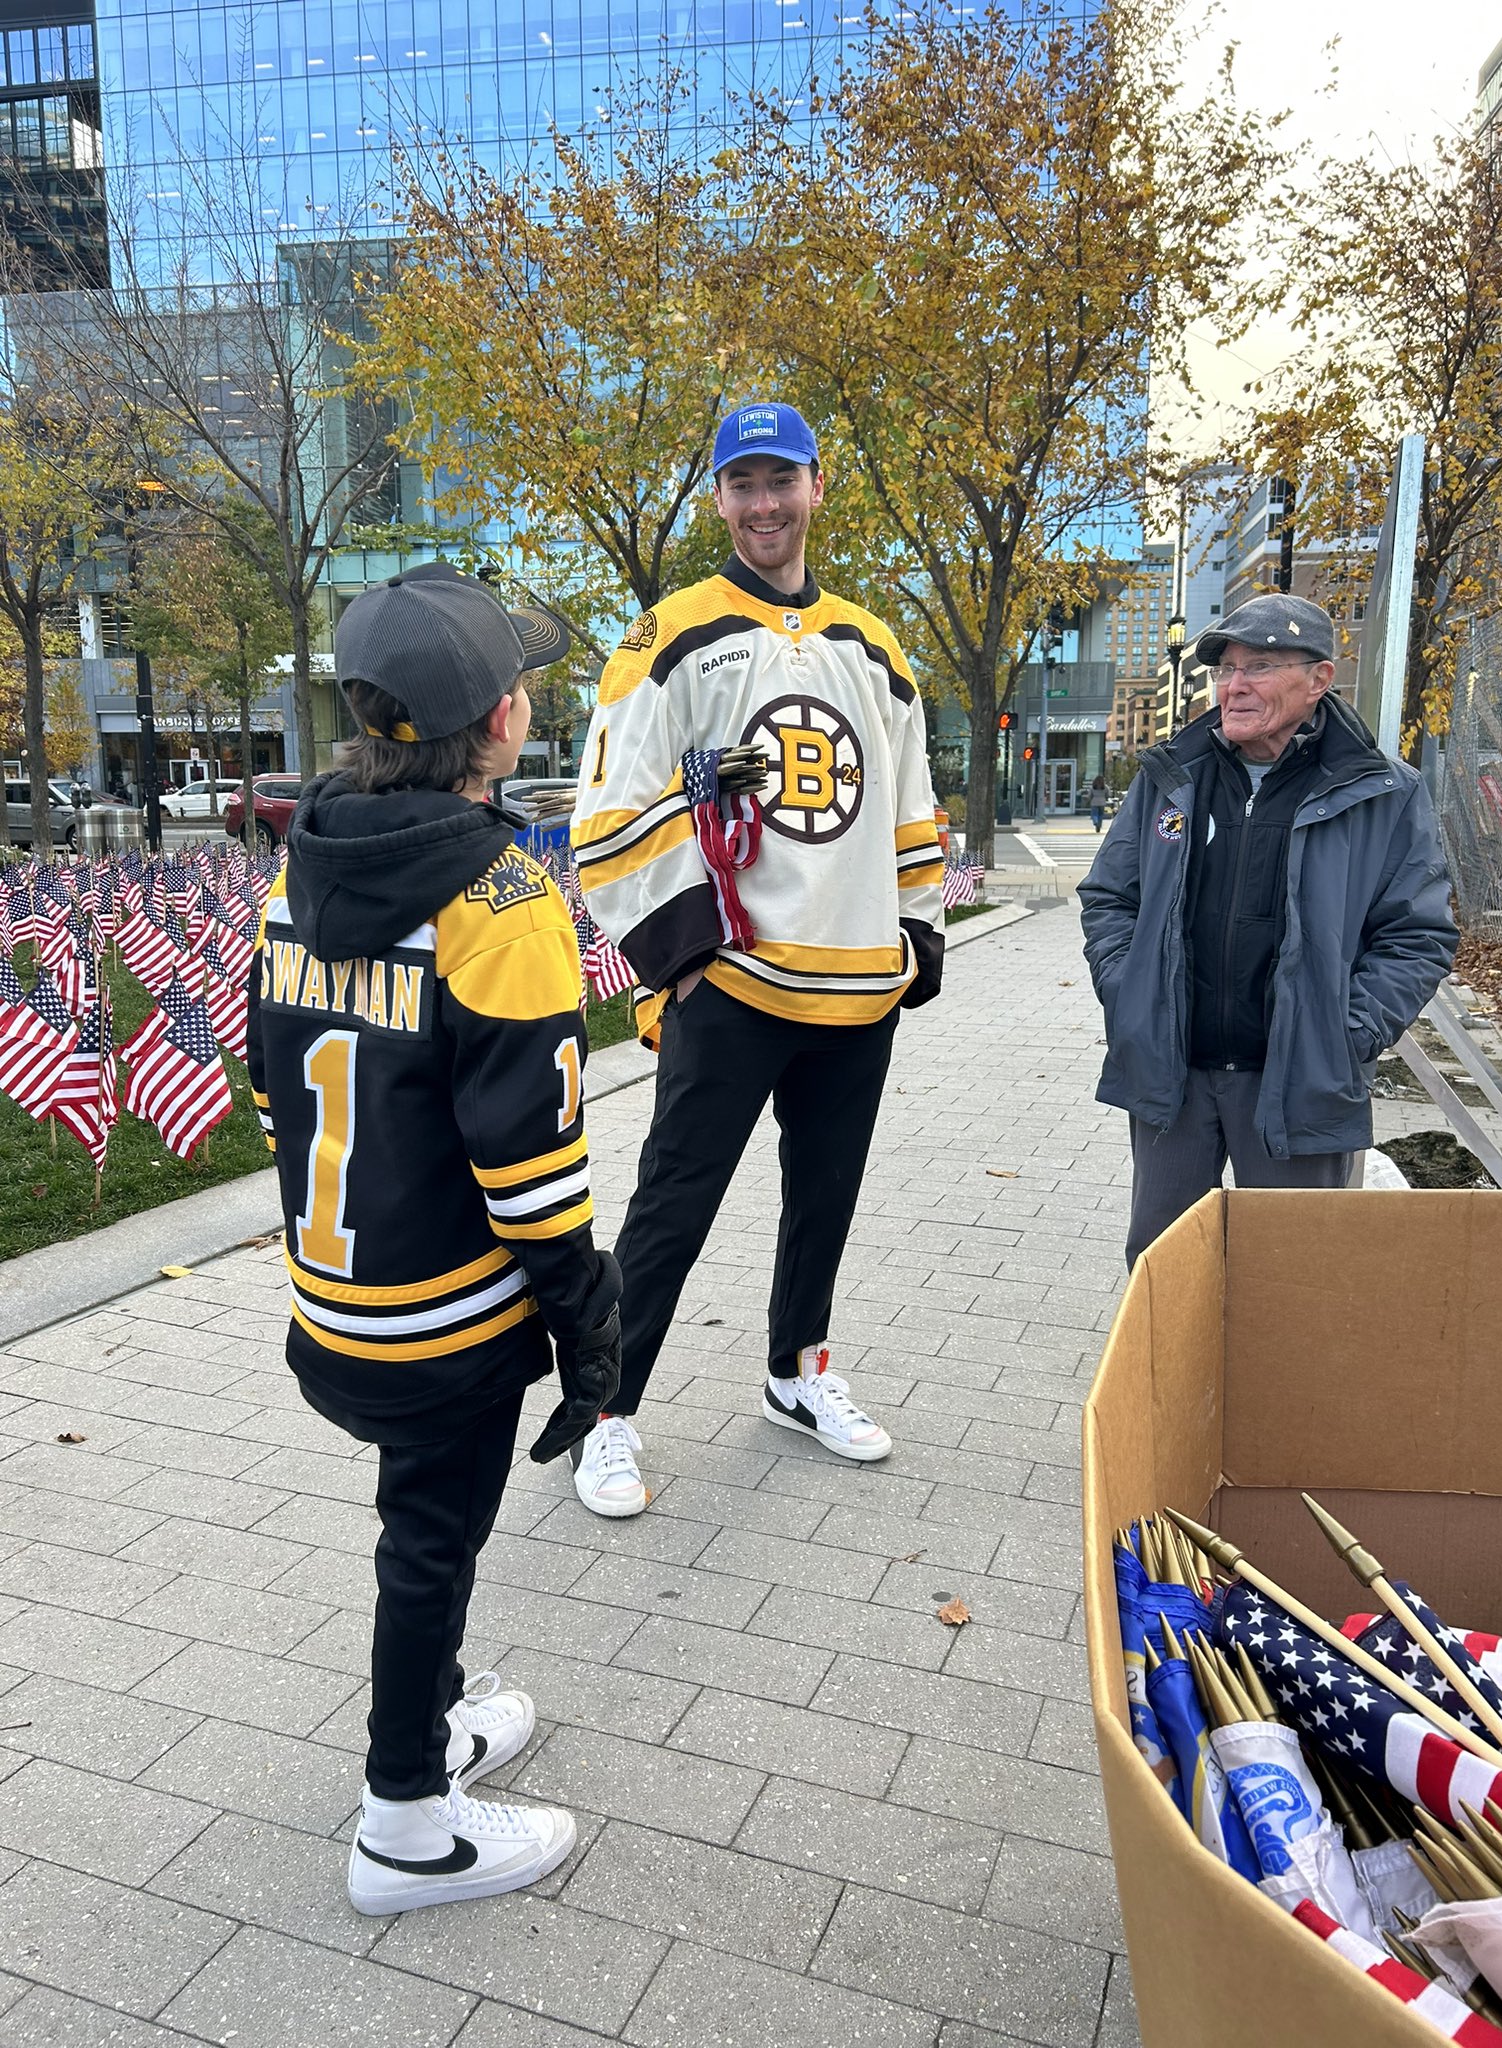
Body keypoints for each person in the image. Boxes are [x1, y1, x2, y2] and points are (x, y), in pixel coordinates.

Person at [245, 563, 622, 1914]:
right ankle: (406, 1818)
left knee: (424, 1535)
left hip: (330, 1292)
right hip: (444, 1316)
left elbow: (260, 1082)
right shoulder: (503, 903)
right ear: (504, 720)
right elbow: (531, 1176)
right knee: (430, 1542)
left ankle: (435, 1717)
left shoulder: (303, 865)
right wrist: (591, 1314)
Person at [567, 400, 946, 1517]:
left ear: (818, 486)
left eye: (783, 480)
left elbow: (910, 801)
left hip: (855, 985)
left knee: (824, 1197)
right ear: (719, 499)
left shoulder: (874, 643)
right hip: (731, 980)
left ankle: (796, 1371)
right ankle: (604, 1411)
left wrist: (916, 935)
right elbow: (608, 807)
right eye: (744, 484)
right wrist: (681, 948)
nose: (765, 503)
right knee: (671, 1206)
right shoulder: (667, 633)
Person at [1079, 591, 1457, 1270]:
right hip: (1176, 1075)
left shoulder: (1384, 792)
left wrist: (1347, 1034)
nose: (1234, 686)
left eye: (1258, 667)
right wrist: (1129, 994)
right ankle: (1171, 1383)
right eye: (1226, 670)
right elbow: (1111, 897)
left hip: (1300, 1081)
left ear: (1318, 680)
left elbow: (1417, 936)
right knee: (1164, 1273)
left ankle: (1277, 1383)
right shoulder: (1173, 776)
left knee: (1296, 1278)